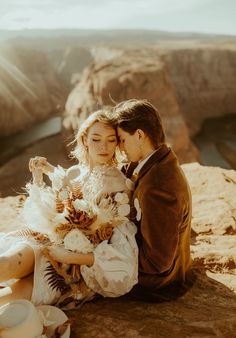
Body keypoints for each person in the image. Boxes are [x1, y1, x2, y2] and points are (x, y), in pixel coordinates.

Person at [0, 109, 138, 308]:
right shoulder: (75, 172)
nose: (104, 146)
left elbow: (122, 252)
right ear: (85, 141)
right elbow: (57, 201)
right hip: (47, 240)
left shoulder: (120, 187)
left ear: (117, 143)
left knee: (11, 298)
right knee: (6, 264)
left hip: (74, 266)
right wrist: (41, 176)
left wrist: (72, 256)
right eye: (96, 139)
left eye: (111, 140)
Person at [112, 99, 192, 301]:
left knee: (86, 266)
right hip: (171, 264)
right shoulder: (159, 159)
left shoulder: (157, 186)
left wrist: (110, 254)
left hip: (160, 284)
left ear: (140, 135)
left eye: (122, 139)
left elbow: (158, 263)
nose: (121, 148)